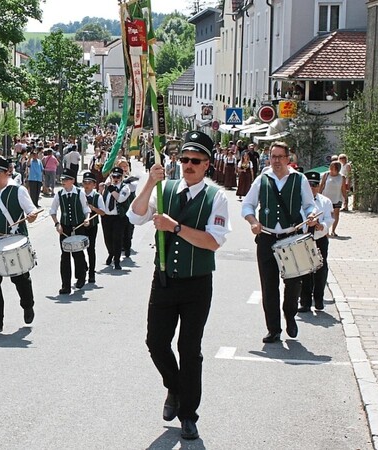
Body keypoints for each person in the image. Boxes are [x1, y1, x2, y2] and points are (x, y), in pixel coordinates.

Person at [129, 130, 231, 441]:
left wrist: (175, 226)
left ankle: (188, 415)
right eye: (184, 159)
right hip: (164, 282)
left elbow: (212, 242)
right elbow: (135, 216)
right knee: (156, 343)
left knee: (190, 351)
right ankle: (174, 387)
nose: (188, 165)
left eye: (195, 161)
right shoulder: (165, 189)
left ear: (207, 165)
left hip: (197, 284)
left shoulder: (217, 197)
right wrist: (149, 182)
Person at [241, 141, 317, 343]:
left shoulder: (299, 179)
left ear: (287, 159)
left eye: (279, 157)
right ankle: (273, 328)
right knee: (269, 285)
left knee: (293, 283)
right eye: (272, 156)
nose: (275, 161)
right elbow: (247, 205)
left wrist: (312, 217)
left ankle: (290, 315)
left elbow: (309, 206)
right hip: (266, 237)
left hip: (291, 236)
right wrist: (253, 222)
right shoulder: (262, 179)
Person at [0, 156, 40, 332]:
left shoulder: (18, 191)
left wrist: (33, 215)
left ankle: (27, 304)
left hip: (13, 242)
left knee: (19, 278)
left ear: (7, 172)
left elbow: (31, 211)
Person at [50, 168, 90, 295]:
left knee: (78, 254)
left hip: (78, 226)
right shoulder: (59, 194)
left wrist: (87, 219)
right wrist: (57, 224)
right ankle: (65, 285)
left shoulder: (80, 193)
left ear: (72, 181)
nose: (63, 181)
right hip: (65, 228)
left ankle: (81, 277)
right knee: (65, 256)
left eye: (66, 179)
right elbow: (53, 210)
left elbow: (86, 209)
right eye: (62, 179)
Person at [299, 171, 334, 313]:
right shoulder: (299, 201)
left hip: (319, 239)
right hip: (304, 239)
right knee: (304, 271)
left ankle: (319, 300)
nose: (312, 187)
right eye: (309, 185)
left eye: (315, 185)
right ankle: (305, 302)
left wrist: (322, 226)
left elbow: (329, 219)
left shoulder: (325, 201)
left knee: (320, 270)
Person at [101, 167, 131, 270]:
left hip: (119, 217)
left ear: (122, 177)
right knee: (107, 238)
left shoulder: (125, 188)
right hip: (106, 217)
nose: (116, 178)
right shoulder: (107, 186)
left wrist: (111, 189)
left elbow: (120, 199)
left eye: (118, 176)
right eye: (114, 176)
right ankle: (111, 253)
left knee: (117, 239)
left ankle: (117, 260)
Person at [319, 161, 346, 237]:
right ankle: (326, 230)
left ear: (337, 168)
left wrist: (345, 198)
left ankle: (333, 231)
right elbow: (321, 185)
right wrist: (318, 194)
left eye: (332, 166)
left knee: (335, 214)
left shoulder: (342, 177)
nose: (330, 167)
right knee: (327, 215)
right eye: (330, 166)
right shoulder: (326, 175)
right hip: (326, 198)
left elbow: (343, 189)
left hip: (337, 198)